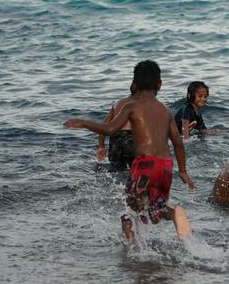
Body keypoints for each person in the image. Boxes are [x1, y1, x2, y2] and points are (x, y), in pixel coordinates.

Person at [64, 60, 195, 241]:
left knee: (128, 208)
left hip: (145, 164)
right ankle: (174, 215)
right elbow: (178, 143)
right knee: (153, 207)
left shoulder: (130, 106)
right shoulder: (165, 110)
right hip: (165, 166)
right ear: (160, 85)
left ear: (134, 84)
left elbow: (110, 129)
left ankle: (132, 248)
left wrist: (84, 123)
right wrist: (183, 171)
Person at [96, 84, 136, 171]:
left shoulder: (117, 104)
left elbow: (103, 126)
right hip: (131, 139)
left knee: (116, 174)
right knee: (139, 171)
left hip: (115, 139)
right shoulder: (143, 104)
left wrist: (101, 147)